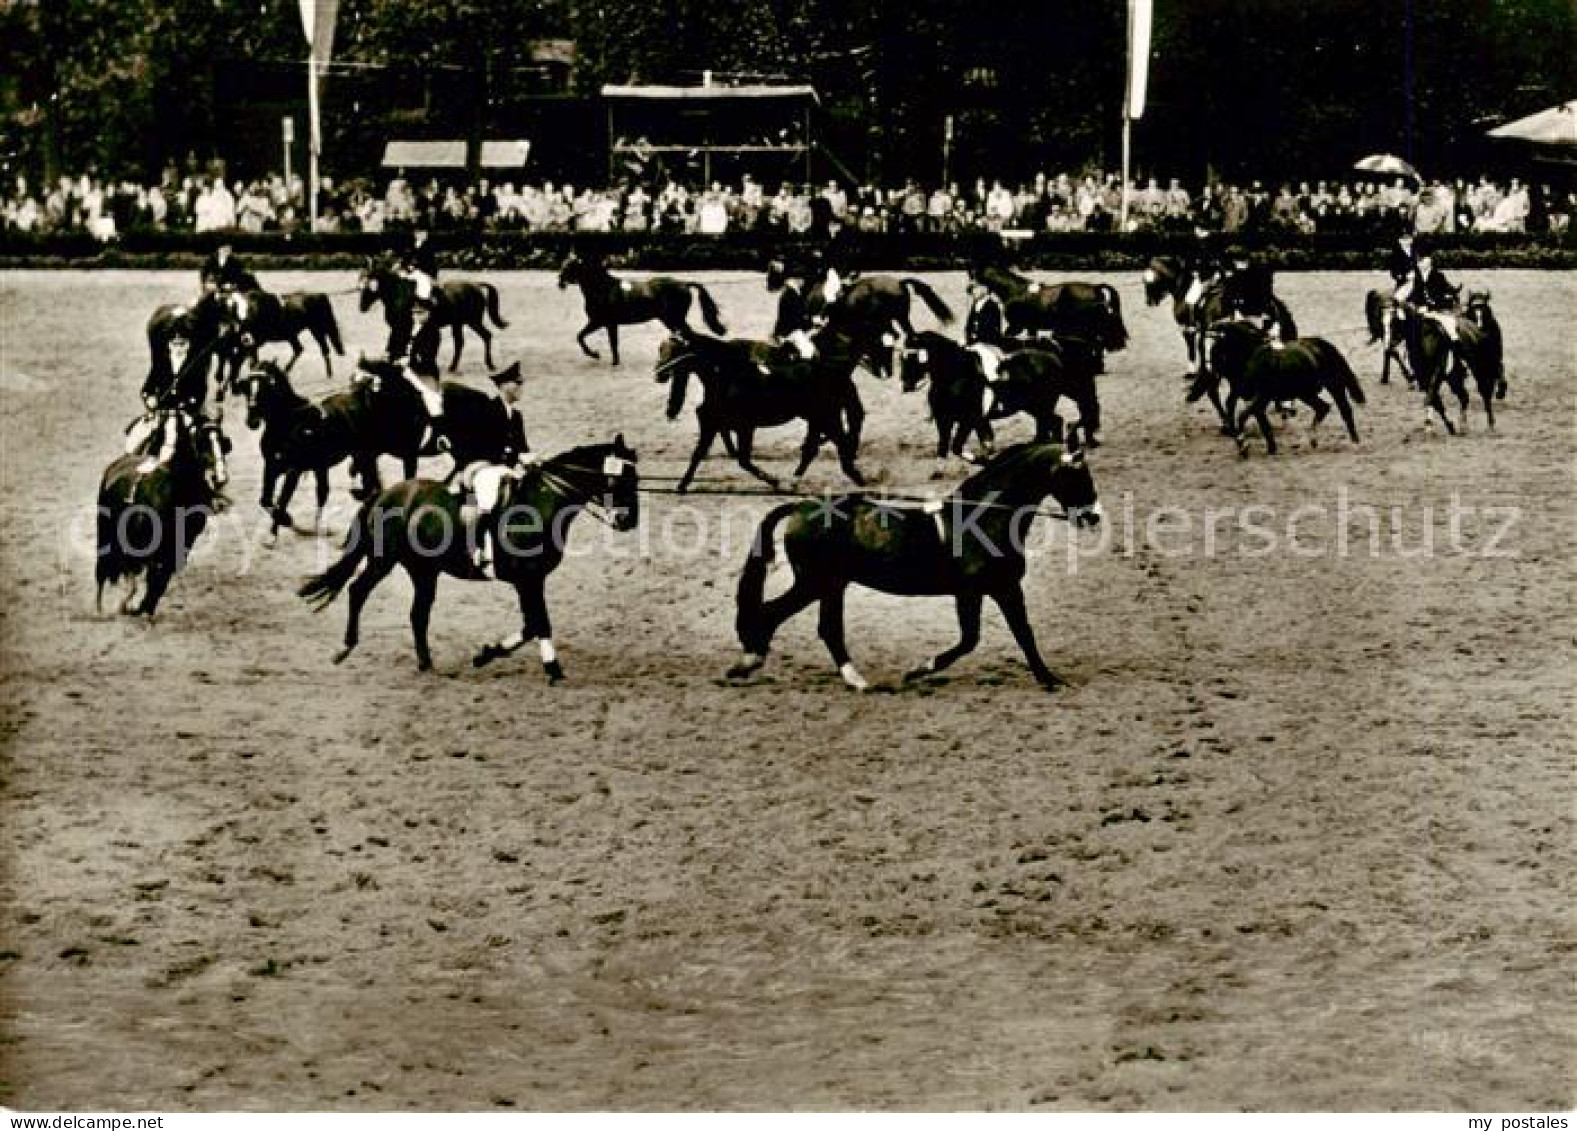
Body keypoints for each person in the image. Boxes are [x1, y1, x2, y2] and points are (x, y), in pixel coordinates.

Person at [457, 366, 538, 576]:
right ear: (504, 386)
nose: (521, 387)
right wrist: (513, 456)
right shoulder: (487, 410)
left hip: (505, 468)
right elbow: (477, 444)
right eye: (517, 383)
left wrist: (529, 459)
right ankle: (477, 548)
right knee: (489, 492)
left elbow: (522, 448)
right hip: (482, 466)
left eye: (521, 383)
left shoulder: (517, 416)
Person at [397, 227, 439, 302]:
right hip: (411, 270)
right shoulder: (410, 245)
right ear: (415, 234)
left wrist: (415, 267)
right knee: (399, 276)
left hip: (426, 271)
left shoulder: (429, 246)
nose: (425, 235)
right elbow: (406, 258)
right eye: (421, 233)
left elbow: (428, 262)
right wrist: (403, 267)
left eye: (425, 233)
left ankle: (422, 301)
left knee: (421, 281)